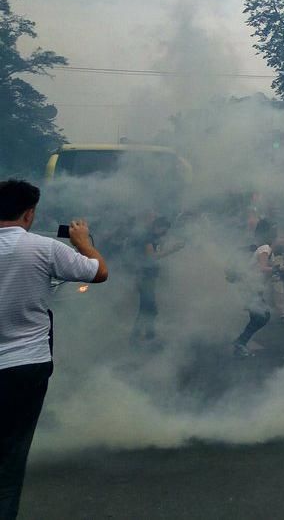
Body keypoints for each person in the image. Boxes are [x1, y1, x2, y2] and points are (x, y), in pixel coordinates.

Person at [0, 180, 108, 519]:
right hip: (25, 365)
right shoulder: (45, 248)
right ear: (29, 213)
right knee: (9, 461)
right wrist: (83, 242)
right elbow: (99, 272)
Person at [131, 215, 180, 345]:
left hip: (148, 277)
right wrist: (173, 250)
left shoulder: (154, 237)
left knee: (148, 309)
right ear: (157, 227)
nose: (165, 232)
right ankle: (141, 337)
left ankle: (147, 335)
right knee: (148, 309)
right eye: (164, 229)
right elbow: (151, 257)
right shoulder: (147, 238)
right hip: (144, 278)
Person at [233, 218, 277, 359]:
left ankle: (241, 343)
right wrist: (278, 269)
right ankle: (240, 343)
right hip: (250, 288)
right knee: (262, 317)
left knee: (257, 318)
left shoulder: (262, 247)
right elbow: (263, 268)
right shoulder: (265, 248)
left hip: (250, 287)